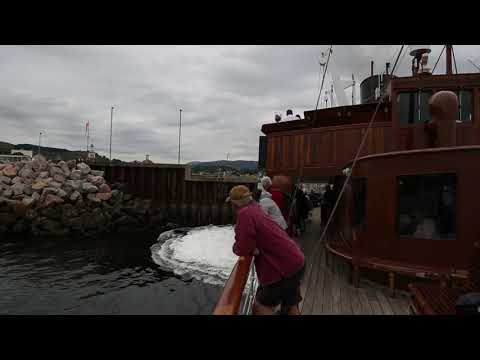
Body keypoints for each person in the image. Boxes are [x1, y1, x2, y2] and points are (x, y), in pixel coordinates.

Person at [227, 185, 306, 315]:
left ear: (234, 203)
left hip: (283, 271)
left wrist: (236, 247)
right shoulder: (256, 208)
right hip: (296, 262)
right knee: (291, 306)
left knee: (260, 308)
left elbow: (243, 248)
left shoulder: (245, 214)